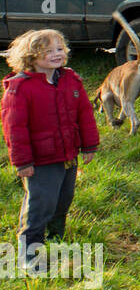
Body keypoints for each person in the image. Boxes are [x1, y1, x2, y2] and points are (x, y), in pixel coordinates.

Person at [2, 29, 99, 272]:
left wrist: (89, 144)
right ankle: (29, 253)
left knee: (63, 198)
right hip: (40, 160)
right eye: (47, 51)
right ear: (30, 57)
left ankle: (56, 237)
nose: (56, 54)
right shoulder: (20, 88)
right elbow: (15, 127)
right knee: (40, 204)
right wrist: (22, 161)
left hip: (67, 155)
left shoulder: (71, 80)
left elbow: (84, 113)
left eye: (59, 49)